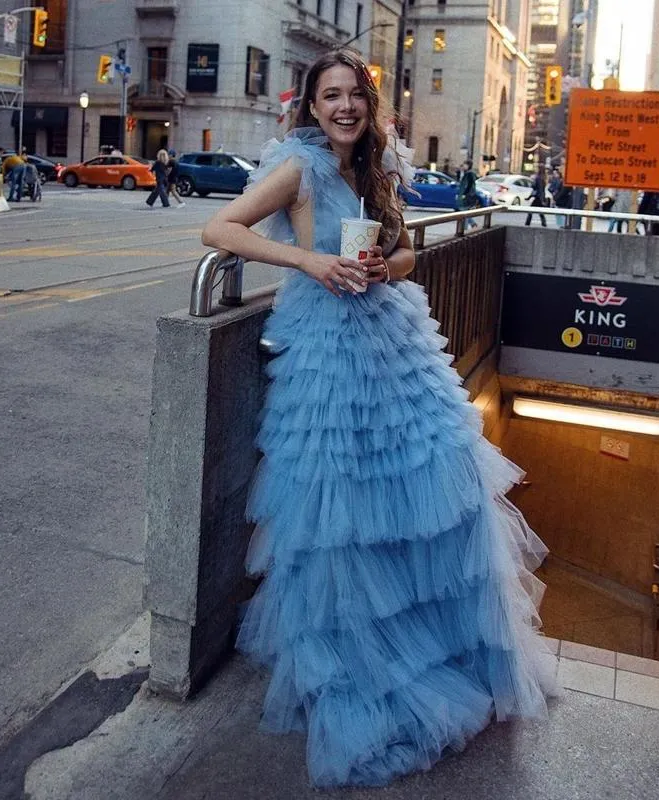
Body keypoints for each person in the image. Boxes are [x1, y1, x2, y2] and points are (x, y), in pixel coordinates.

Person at [201, 48, 557, 789]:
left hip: (391, 338)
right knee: (342, 508)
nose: (343, 108)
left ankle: (435, 643)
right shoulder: (298, 166)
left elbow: (405, 259)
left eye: (353, 95)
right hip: (329, 351)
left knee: (435, 480)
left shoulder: (381, 166)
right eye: (329, 96)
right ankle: (361, 658)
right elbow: (221, 230)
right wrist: (311, 264)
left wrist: (381, 265)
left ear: (368, 103)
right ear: (311, 106)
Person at [456, 159, 479, 229]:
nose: (463, 166)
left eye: (465, 164)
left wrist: (464, 193)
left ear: (468, 165)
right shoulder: (467, 173)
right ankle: (472, 224)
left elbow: (469, 185)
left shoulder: (469, 173)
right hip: (469, 195)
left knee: (464, 211)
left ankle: (466, 227)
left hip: (468, 195)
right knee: (464, 211)